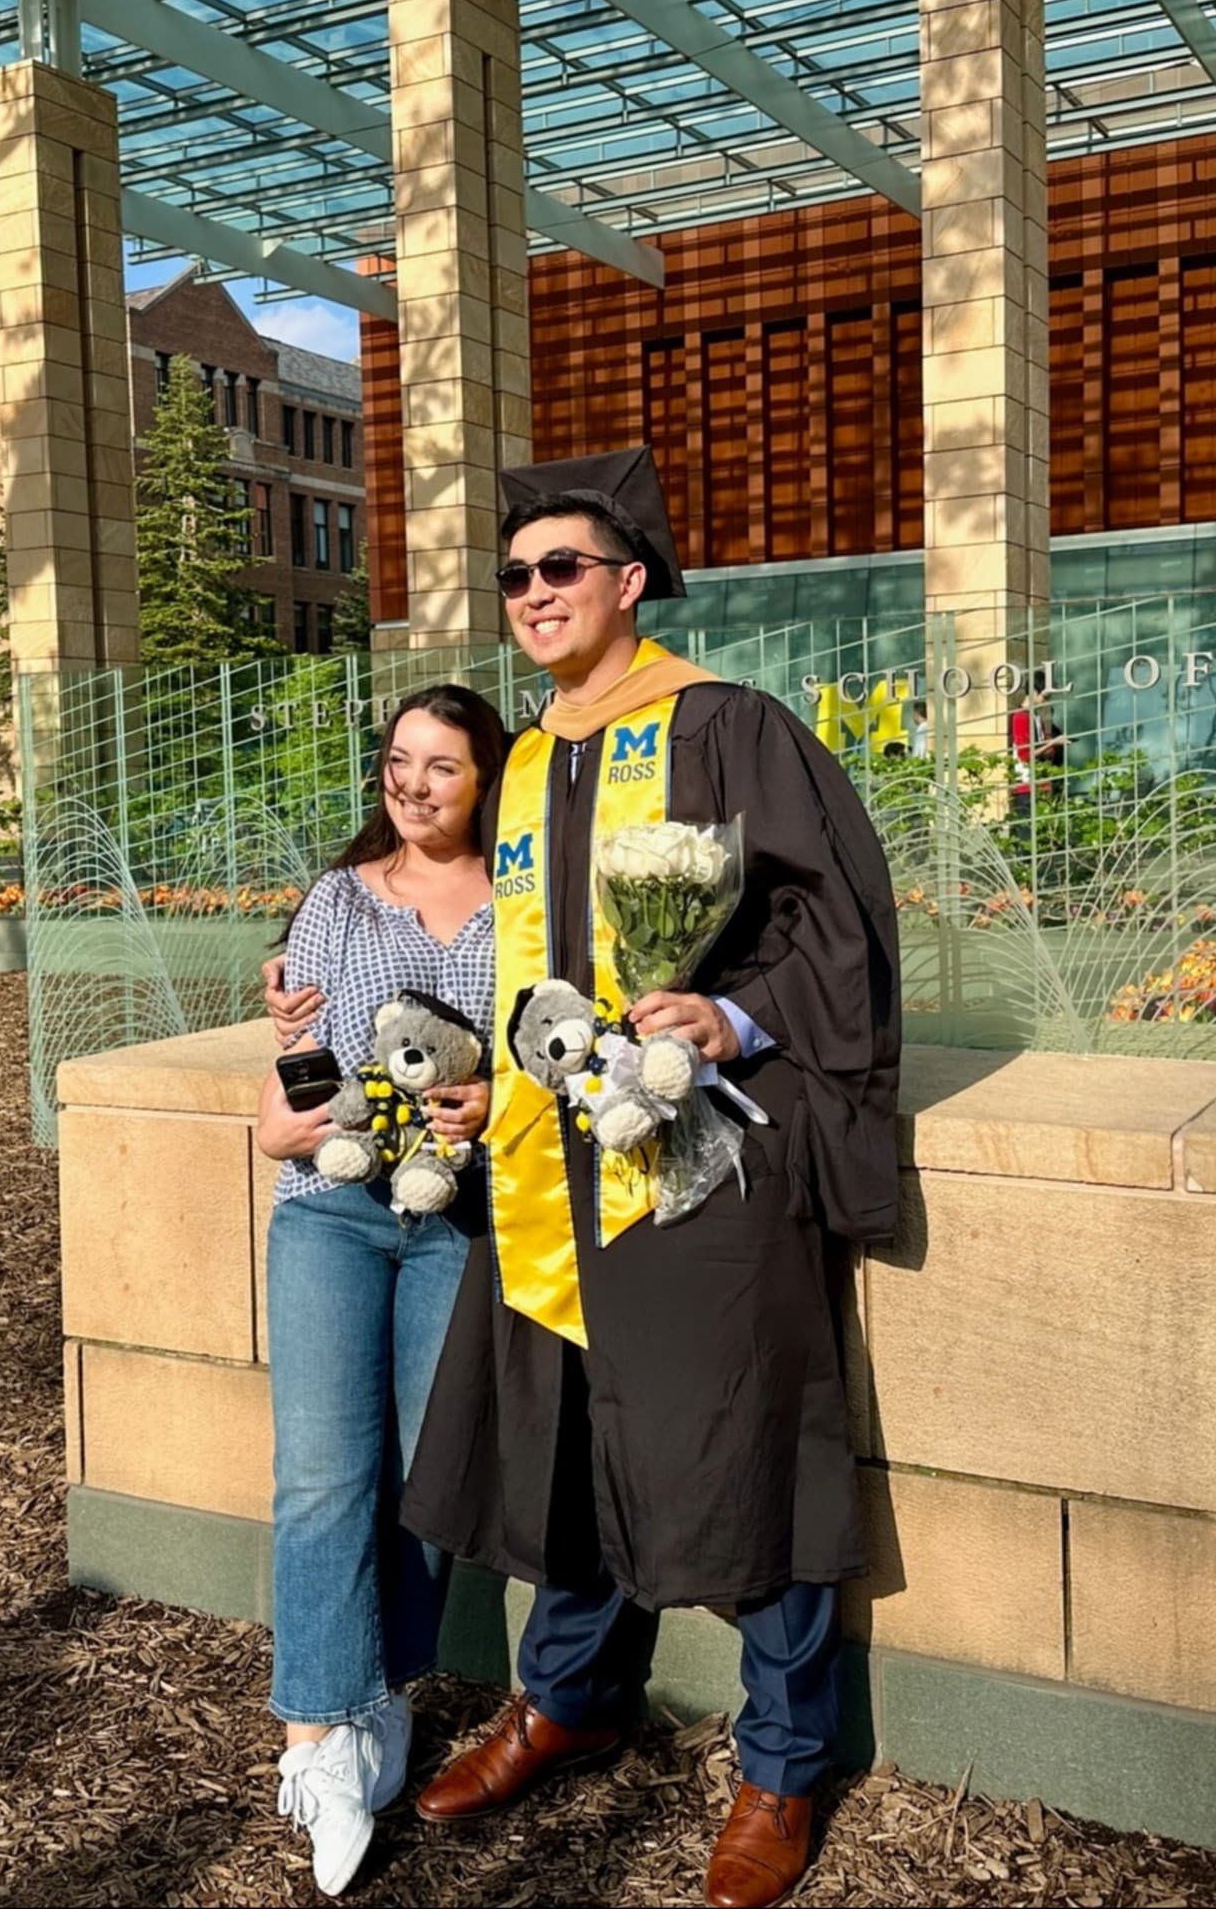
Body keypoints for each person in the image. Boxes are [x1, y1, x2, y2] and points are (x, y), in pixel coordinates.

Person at [398, 446, 900, 1909]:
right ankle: (568, 1697)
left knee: (745, 1451)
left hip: (698, 1166)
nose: (534, 593)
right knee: (562, 1442)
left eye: (562, 568)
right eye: (515, 576)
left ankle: (785, 1767)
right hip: (541, 1168)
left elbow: (838, 928)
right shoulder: (526, 763)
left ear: (629, 584)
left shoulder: (726, 726)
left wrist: (727, 1016)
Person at [252, 684, 504, 1898]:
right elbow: (281, 1104)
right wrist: (301, 1107)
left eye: (439, 767)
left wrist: (494, 1101)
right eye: (397, 761)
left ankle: (383, 1700)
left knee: (423, 1476)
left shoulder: (526, 907)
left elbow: (553, 1052)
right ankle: (314, 1736)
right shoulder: (337, 899)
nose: (409, 784)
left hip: (459, 1217)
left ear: (483, 780)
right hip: (332, 1214)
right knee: (320, 1473)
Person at [1008, 675, 1061, 819]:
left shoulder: (1035, 717)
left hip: (1040, 783)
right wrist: (1052, 743)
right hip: (1027, 785)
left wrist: (1050, 747)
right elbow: (1025, 755)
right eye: (1045, 696)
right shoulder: (1021, 717)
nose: (1047, 700)